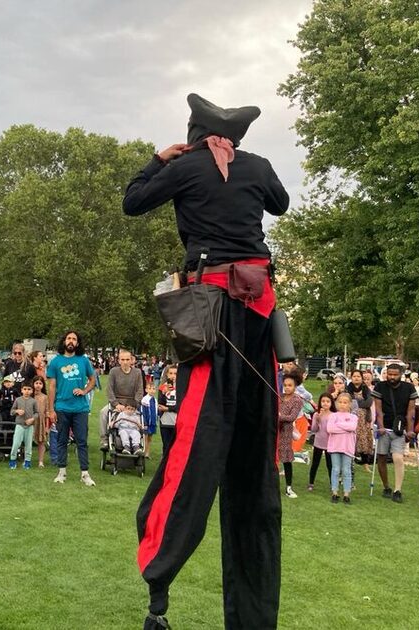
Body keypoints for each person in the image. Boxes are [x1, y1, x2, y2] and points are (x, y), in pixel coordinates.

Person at [123, 94, 288, 628]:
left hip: (211, 317)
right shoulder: (258, 166)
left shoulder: (188, 163)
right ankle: (253, 614)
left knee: (197, 440)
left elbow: (133, 201)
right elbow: (281, 204)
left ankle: (159, 578)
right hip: (259, 316)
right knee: (252, 456)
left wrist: (159, 160)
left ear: (193, 133)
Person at [46, 330, 97, 487]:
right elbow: (52, 386)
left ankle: (85, 474)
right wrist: (51, 409)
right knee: (61, 440)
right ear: (64, 341)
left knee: (82, 441)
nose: (71, 341)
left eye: (74, 339)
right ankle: (62, 472)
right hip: (62, 407)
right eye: (68, 338)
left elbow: (93, 379)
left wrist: (85, 391)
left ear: (77, 343)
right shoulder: (55, 362)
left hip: (80, 408)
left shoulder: (83, 361)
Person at [371, 363, 418, 503]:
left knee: (398, 458)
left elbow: (411, 411)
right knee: (381, 457)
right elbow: (378, 410)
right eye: (389, 374)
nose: (391, 377)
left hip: (400, 428)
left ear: (401, 374)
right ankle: (386, 486)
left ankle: (398, 490)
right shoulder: (380, 386)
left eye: (395, 374)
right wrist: (380, 426)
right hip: (384, 428)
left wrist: (410, 430)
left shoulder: (409, 388)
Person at [100, 349, 144, 448]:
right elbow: (109, 389)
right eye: (122, 359)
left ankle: (138, 442)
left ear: (131, 360)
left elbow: (140, 390)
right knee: (103, 413)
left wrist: (133, 405)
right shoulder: (113, 371)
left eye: (127, 359)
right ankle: (104, 440)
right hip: (117, 401)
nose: (125, 362)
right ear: (119, 360)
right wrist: (116, 404)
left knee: (141, 416)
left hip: (132, 403)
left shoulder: (137, 373)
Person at [326, 393, 358, 504]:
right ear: (336, 403)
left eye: (345, 402)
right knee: (335, 469)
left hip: (347, 447)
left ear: (350, 404)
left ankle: (346, 493)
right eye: (340, 402)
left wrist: (338, 425)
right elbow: (330, 429)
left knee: (346, 470)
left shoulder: (353, 417)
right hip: (335, 446)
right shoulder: (333, 416)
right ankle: (334, 492)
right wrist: (345, 428)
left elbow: (352, 427)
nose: (342, 405)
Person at [278, 373, 305, 498]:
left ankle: (289, 487)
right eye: (285, 385)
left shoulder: (297, 400)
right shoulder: (280, 396)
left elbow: (291, 417)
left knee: (286, 460)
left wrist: (278, 417)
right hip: (275, 431)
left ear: (295, 386)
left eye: (290, 385)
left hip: (286, 432)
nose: (287, 388)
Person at [9, 381, 39, 469]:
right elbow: (12, 411)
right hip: (19, 424)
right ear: (21, 390)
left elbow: (37, 413)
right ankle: (13, 460)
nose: (26, 391)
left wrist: (32, 419)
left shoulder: (33, 401)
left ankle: (27, 461)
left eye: (29, 389)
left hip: (29, 426)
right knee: (16, 443)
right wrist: (17, 411)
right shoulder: (18, 400)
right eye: (25, 389)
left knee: (28, 444)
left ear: (32, 391)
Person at [308, 393, 334, 491]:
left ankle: (333, 484)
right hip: (318, 442)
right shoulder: (316, 414)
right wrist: (318, 419)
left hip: (329, 443)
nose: (325, 403)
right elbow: (314, 429)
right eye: (323, 401)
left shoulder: (333, 415)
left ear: (331, 403)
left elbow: (331, 429)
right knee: (315, 463)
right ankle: (311, 482)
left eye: (327, 401)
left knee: (330, 465)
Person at [157, 365, 178, 456]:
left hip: (177, 421)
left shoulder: (182, 387)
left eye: (175, 373)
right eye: (171, 373)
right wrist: (164, 393)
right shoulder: (162, 387)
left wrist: (169, 409)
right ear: (167, 374)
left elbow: (182, 405)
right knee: (166, 445)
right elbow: (160, 405)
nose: (173, 376)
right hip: (165, 421)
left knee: (176, 446)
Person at [31, 377, 49, 467]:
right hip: (30, 421)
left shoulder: (45, 397)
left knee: (41, 441)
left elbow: (47, 412)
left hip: (41, 421)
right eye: (36, 383)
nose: (38, 385)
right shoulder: (29, 395)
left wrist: (46, 426)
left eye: (40, 383)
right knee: (27, 440)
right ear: (33, 384)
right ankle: (27, 459)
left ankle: (41, 461)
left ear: (43, 385)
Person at [140, 383, 158, 458]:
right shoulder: (145, 400)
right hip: (147, 422)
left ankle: (147, 452)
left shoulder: (155, 400)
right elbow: (144, 412)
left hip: (153, 422)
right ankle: (143, 451)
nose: (152, 390)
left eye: (153, 389)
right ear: (146, 390)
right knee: (145, 437)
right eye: (150, 388)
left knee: (150, 438)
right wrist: (145, 423)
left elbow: (155, 411)